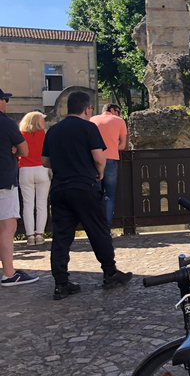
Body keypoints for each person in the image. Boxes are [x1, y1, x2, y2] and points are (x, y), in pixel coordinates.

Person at [41, 91, 132, 300]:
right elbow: (99, 157)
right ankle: (110, 273)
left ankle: (61, 283)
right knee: (98, 230)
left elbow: (45, 161)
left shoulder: (53, 130)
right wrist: (99, 172)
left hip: (60, 188)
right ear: (86, 109)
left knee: (61, 237)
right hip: (84, 186)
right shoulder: (88, 127)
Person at [0, 88, 38, 287]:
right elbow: (24, 149)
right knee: (7, 227)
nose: (6, 103)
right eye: (4, 99)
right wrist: (12, 149)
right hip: (3, 182)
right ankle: (9, 273)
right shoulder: (6, 123)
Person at [90, 103, 128, 234]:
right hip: (111, 160)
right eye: (118, 111)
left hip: (93, 160)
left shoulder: (92, 120)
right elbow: (123, 145)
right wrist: (112, 145)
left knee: (95, 194)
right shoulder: (119, 121)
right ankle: (106, 229)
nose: (119, 113)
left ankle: (94, 227)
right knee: (109, 194)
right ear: (112, 110)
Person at [18, 111, 51, 247]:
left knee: (28, 205)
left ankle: (30, 235)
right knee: (42, 204)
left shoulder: (20, 135)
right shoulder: (45, 134)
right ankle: (39, 234)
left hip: (25, 169)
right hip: (42, 168)